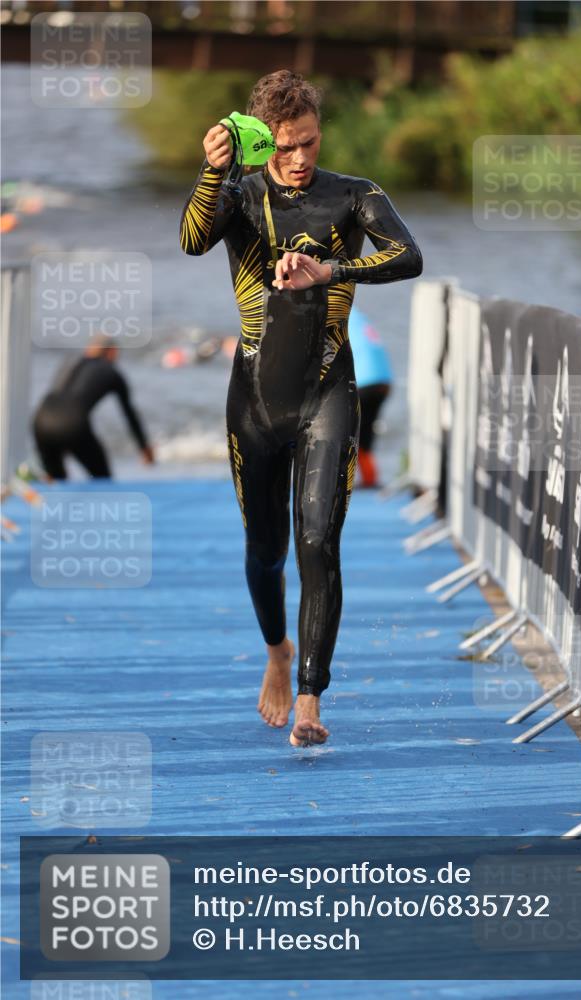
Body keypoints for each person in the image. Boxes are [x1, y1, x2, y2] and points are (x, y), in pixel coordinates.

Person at [180, 70, 422, 746]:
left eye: (308, 142)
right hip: (255, 400)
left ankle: (312, 697)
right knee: (266, 551)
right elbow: (192, 240)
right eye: (284, 146)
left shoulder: (353, 194)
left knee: (319, 543)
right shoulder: (240, 193)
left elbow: (409, 256)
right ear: (263, 142)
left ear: (320, 133)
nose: (297, 159)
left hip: (326, 391)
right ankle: (277, 652)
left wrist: (332, 271)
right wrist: (212, 171)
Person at [32, 336, 154, 480]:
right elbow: (129, 414)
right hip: (72, 424)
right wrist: (144, 447)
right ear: (112, 351)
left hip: (41, 420)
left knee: (56, 481)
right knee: (103, 481)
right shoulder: (111, 371)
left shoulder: (69, 362)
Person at [347, 309, 393, 488]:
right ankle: (369, 478)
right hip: (383, 380)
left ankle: (353, 479)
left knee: (347, 429)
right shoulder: (356, 315)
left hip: (364, 380)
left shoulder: (335, 312)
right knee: (364, 431)